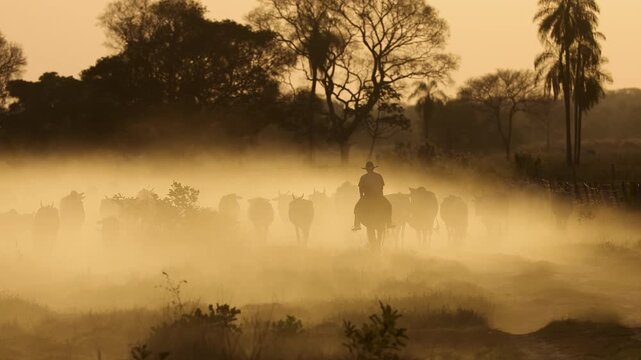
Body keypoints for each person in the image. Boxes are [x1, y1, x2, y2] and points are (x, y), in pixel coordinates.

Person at [352, 161, 392, 231]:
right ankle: (389, 223)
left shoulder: (363, 177)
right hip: (378, 196)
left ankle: (357, 225)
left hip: (367, 197)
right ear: (373, 168)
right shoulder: (379, 176)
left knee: (357, 209)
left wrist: (361, 198)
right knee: (389, 206)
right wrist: (381, 196)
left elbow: (360, 189)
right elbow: (381, 187)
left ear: (366, 169)